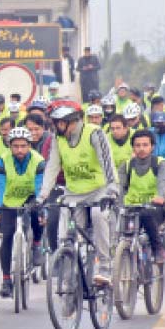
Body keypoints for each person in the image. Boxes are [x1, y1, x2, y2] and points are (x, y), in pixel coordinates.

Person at [39, 104, 118, 284]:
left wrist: (112, 189)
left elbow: (107, 162)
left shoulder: (94, 133)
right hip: (73, 193)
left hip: (99, 191)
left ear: (72, 122)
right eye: (55, 124)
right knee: (66, 234)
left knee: (99, 216)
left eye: (60, 124)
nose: (57, 128)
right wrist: (42, 195)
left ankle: (105, 266)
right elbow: (52, 167)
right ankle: (69, 281)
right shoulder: (58, 139)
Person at [0, 127, 45, 297]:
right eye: (15, 146)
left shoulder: (38, 161)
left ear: (30, 145)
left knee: (38, 216)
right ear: (10, 146)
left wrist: (39, 204)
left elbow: (40, 186)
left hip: (30, 199)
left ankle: (37, 244)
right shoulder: (2, 161)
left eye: (23, 146)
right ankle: (7, 280)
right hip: (8, 202)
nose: (20, 150)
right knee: (7, 236)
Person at [118, 130, 165, 263]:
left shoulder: (160, 164)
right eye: (137, 145)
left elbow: (162, 183)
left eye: (145, 145)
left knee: (146, 214)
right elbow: (120, 188)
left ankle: (157, 248)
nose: (141, 148)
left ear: (152, 147)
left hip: (155, 208)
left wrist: (160, 196)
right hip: (132, 207)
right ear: (133, 147)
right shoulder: (126, 165)